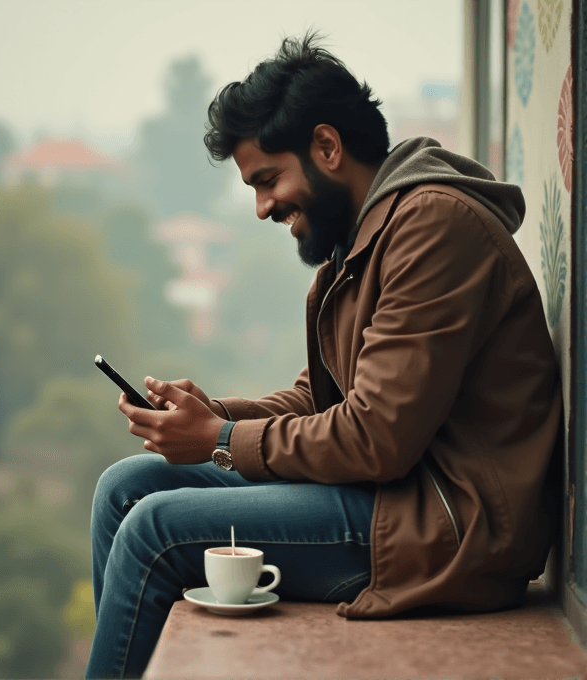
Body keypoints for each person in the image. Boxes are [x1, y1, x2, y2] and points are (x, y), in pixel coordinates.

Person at [86, 32, 562, 679]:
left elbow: (377, 438)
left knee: (155, 528)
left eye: (267, 179)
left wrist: (220, 438)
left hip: (449, 526)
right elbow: (322, 397)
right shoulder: (357, 248)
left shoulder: (432, 230)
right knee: (123, 488)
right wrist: (212, 414)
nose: (261, 208)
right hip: (391, 494)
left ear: (327, 148)